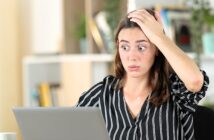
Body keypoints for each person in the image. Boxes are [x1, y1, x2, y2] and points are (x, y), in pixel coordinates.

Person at [76, 9, 209, 140]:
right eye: (125, 47)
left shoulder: (175, 90)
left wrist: (159, 36)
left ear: (156, 48)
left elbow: (195, 81)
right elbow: (69, 128)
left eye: (141, 47)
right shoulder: (101, 94)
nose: (132, 57)